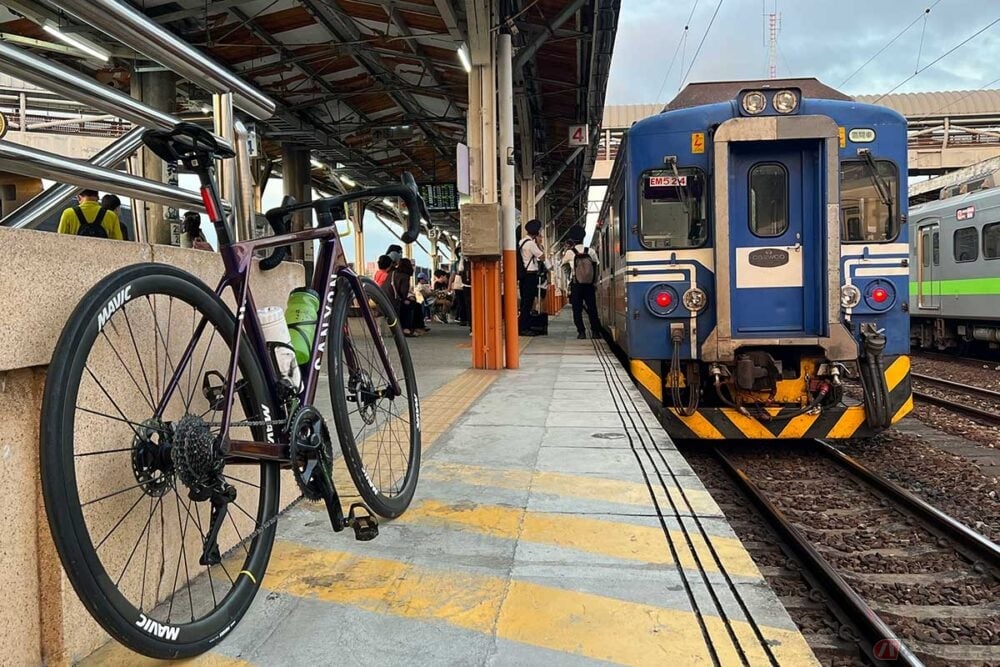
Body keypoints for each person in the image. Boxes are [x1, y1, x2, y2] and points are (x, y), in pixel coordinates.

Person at [561, 225, 601, 339]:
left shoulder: (570, 253)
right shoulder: (591, 252)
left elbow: (562, 265)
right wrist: (594, 282)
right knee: (592, 308)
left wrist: (570, 273)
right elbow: (596, 266)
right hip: (589, 284)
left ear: (572, 239)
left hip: (576, 284)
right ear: (583, 237)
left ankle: (581, 332)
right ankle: (595, 332)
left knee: (577, 309)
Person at [58, 189, 123, 240]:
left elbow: (60, 241)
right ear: (97, 197)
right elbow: (118, 243)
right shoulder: (111, 215)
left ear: (78, 197)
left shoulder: (68, 213)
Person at [518, 219, 545, 325]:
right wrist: (538, 244)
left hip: (523, 275)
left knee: (524, 301)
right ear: (536, 232)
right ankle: (523, 326)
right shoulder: (531, 244)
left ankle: (523, 324)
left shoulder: (521, 242)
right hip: (530, 275)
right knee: (528, 302)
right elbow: (542, 257)